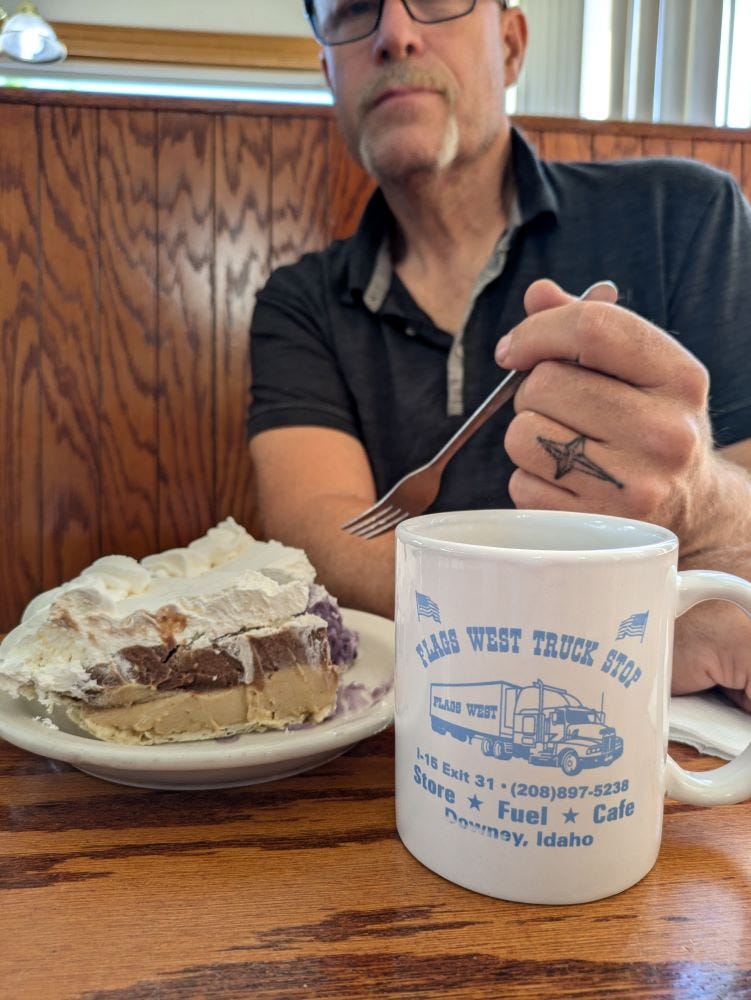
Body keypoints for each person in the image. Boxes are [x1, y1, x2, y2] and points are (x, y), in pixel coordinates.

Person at [247, 0, 751, 708]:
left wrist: (699, 498)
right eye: (353, 11)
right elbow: (320, 536)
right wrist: (588, 626)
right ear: (328, 71)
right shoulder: (299, 303)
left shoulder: (684, 217)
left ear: (510, 44)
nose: (394, 33)